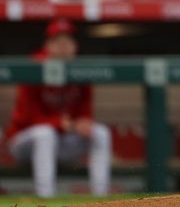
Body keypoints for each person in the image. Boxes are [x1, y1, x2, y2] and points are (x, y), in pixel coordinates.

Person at [5, 19, 111, 198]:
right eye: (58, 42)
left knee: (101, 133)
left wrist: (84, 122)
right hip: (24, 142)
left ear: (75, 46)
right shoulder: (34, 67)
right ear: (48, 45)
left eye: (68, 41)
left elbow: (85, 108)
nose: (64, 47)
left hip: (62, 140)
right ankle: (46, 198)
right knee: (45, 133)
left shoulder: (79, 70)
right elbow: (26, 119)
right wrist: (61, 124)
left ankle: (101, 198)